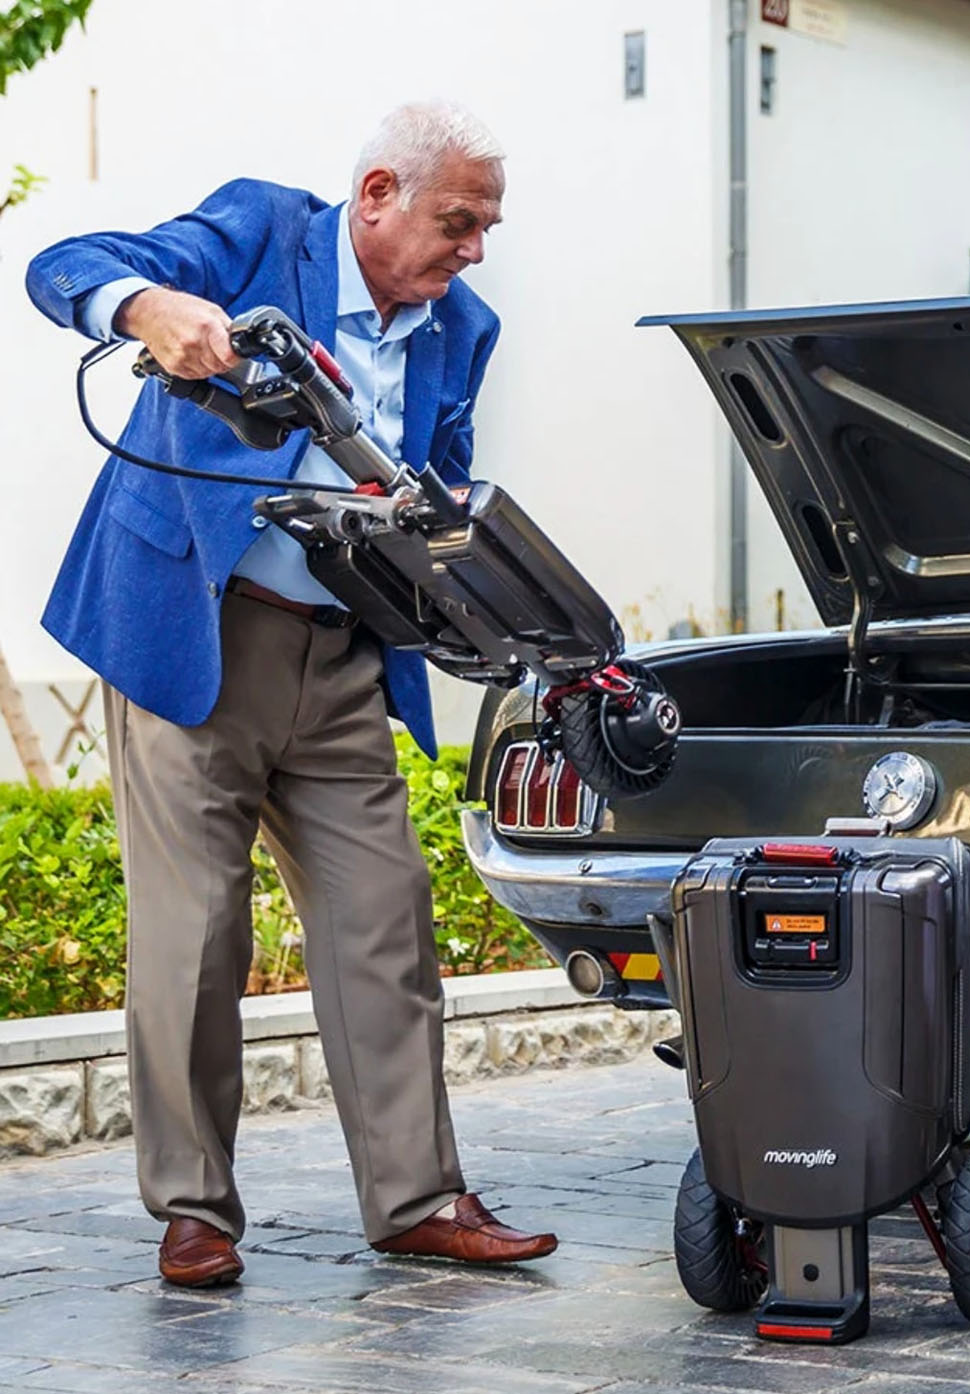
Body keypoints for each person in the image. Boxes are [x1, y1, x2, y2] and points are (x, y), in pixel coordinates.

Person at [25, 101, 558, 1288]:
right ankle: (193, 1209)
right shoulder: (261, 232)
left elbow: (444, 484)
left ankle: (418, 1197)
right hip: (193, 632)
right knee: (195, 934)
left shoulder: (462, 327)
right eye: (458, 221)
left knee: (387, 915)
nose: (474, 249)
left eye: (486, 227)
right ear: (377, 195)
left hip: (341, 654)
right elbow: (62, 263)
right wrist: (146, 307)